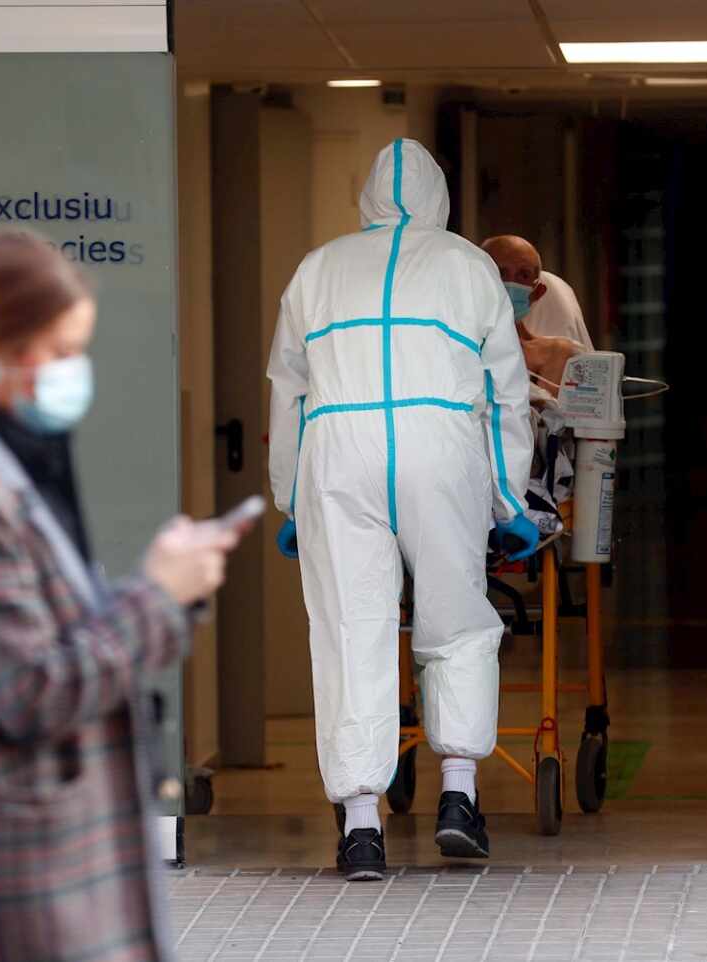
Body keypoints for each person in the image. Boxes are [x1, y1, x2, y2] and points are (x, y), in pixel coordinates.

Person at [0, 231, 241, 962]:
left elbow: (50, 640)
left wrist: (158, 586)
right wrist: (160, 599)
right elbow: (31, 688)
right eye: (62, 351)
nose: (76, 373)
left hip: (24, 889)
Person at [267, 139, 539, 881]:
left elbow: (287, 391)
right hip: (437, 446)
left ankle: (361, 829)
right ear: (439, 197)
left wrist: (293, 497)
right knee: (455, 620)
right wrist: (510, 498)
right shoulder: (465, 264)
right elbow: (503, 392)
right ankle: (458, 796)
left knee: (352, 628)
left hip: (339, 451)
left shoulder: (317, 269)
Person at [481, 234, 594, 349]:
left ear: (537, 293)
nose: (510, 283)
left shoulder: (557, 356)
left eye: (524, 275)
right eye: (500, 272)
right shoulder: (465, 345)